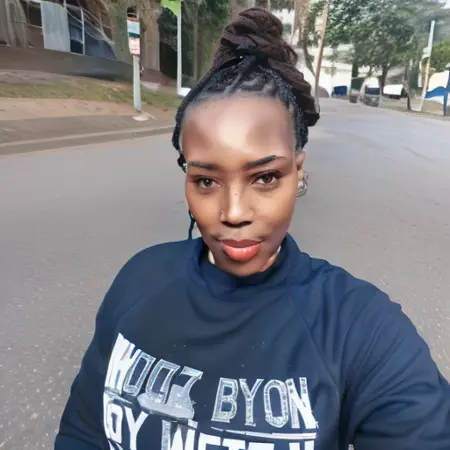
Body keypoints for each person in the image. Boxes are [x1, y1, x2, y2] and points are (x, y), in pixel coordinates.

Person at [55, 8, 450, 450]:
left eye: (265, 177)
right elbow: (84, 433)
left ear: (297, 170)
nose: (234, 212)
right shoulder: (138, 281)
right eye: (206, 181)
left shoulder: (362, 329)